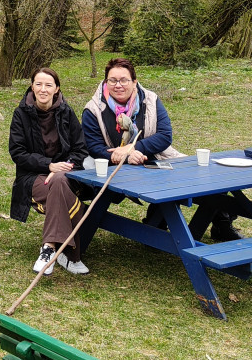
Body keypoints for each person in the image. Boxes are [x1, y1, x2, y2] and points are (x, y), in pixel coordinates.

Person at [83, 57, 243, 242]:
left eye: (124, 80)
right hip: (119, 168)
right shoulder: (93, 109)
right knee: (166, 183)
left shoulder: (151, 99)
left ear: (134, 81)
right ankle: (156, 225)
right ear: (105, 82)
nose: (118, 85)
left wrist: (133, 147)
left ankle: (221, 225)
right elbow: (95, 148)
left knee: (208, 175)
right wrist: (126, 157)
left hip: (158, 157)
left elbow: (165, 136)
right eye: (112, 80)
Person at [9, 67, 90, 275]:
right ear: (32, 87)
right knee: (69, 199)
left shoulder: (67, 112)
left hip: (66, 174)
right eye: (38, 84)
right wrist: (49, 166)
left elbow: (79, 149)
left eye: (48, 85)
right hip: (33, 177)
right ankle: (70, 255)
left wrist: (63, 167)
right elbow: (18, 153)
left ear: (57, 89)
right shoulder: (20, 114)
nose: (43, 89)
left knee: (60, 182)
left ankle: (49, 248)